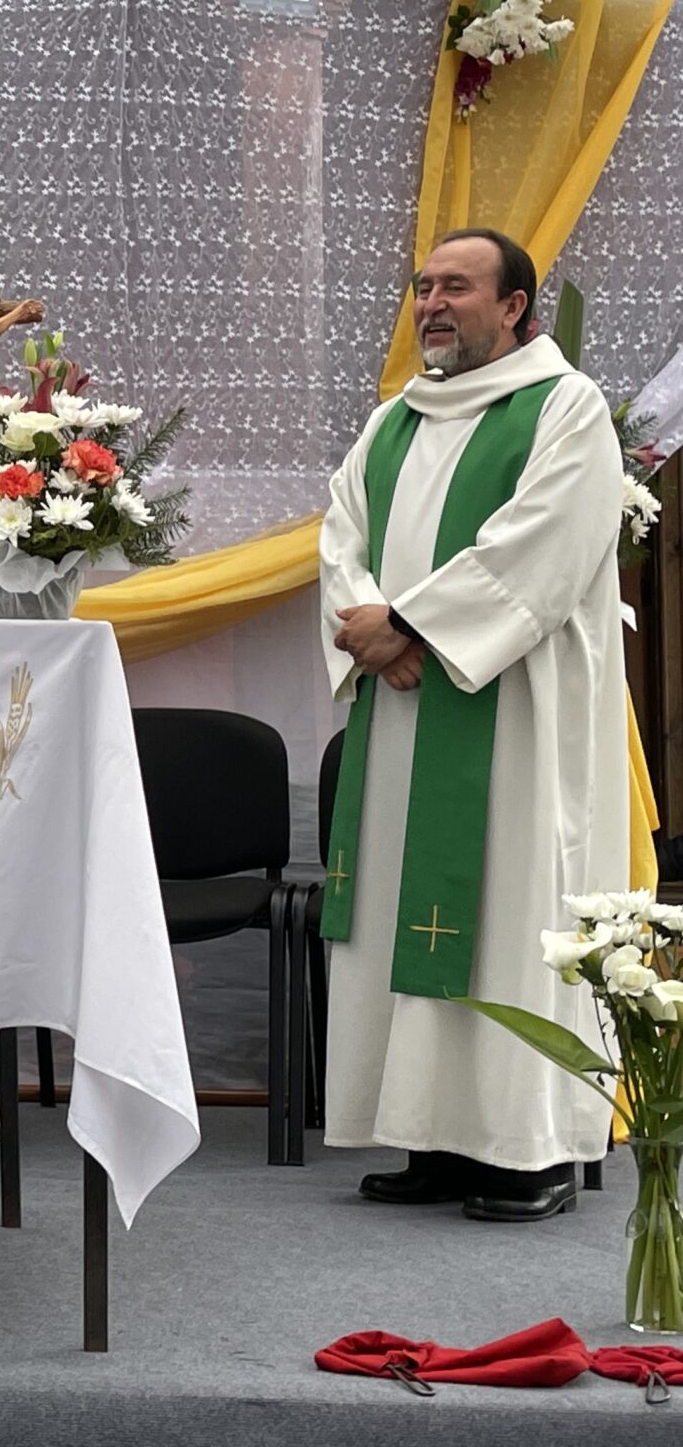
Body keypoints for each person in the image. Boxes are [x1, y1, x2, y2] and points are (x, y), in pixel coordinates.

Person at [319, 226, 627, 1221]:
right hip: (405, 709)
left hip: (512, 717)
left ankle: (522, 1149)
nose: (433, 304)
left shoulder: (563, 409)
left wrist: (409, 624)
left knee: (503, 910)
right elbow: (341, 539)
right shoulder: (391, 422)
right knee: (402, 913)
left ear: (514, 308)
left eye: (457, 287)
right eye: (423, 286)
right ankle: (434, 1138)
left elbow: (542, 545)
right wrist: (372, 630)